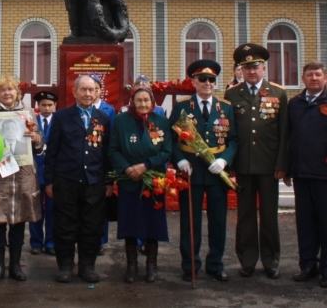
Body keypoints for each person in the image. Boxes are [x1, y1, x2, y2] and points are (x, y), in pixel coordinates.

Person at [169, 59, 237, 282]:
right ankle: (190, 264)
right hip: (191, 172)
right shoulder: (181, 107)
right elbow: (171, 141)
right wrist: (179, 161)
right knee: (191, 221)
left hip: (217, 172)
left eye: (211, 80)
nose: (207, 83)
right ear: (194, 82)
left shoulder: (225, 108)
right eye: (202, 79)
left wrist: (225, 161)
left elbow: (234, 141)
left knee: (218, 221)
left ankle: (215, 264)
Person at [224, 44, 288, 279]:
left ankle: (271, 260)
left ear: (264, 68)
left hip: (269, 165)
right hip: (243, 164)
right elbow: (228, 131)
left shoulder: (279, 93)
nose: (252, 71)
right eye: (247, 67)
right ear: (241, 69)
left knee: (270, 215)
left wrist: (282, 163)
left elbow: (284, 132)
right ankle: (248, 260)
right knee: (246, 215)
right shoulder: (232, 94)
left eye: (256, 67)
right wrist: (229, 164)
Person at [0, 75, 44, 283]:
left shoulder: (28, 113)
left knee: (18, 221)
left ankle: (15, 264)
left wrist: (36, 139)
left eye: (10, 90)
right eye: (2, 90)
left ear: (17, 92)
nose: (7, 93)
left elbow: (39, 143)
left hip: (22, 176)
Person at [44, 75, 113, 283]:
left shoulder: (103, 118)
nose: (87, 94)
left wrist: (109, 181)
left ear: (97, 92)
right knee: (65, 225)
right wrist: (49, 181)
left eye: (91, 90)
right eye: (83, 90)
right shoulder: (62, 117)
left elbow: (107, 152)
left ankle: (87, 266)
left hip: (94, 182)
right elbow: (52, 151)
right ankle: (65, 266)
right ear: (74, 92)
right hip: (66, 180)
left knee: (91, 227)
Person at [109, 83, 171, 283]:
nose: (143, 104)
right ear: (132, 102)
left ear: (152, 101)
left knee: (153, 224)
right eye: (139, 100)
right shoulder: (120, 121)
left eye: (146, 100)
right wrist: (128, 169)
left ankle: (151, 266)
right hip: (129, 181)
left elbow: (166, 150)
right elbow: (113, 149)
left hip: (153, 181)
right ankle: (132, 266)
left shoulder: (161, 121)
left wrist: (146, 165)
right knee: (130, 224)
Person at [285, 61, 327, 288]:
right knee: (306, 223)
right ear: (303, 78)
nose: (314, 78)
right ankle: (308, 265)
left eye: (318, 75)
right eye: (310, 75)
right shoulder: (296, 104)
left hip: (323, 172)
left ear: (325, 78)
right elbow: (289, 136)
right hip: (302, 173)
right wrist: (289, 168)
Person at [29, 91, 58, 256]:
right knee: (35, 209)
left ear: (55, 106)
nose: (47, 108)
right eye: (43, 105)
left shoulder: (60, 121)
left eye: (50, 105)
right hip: (35, 171)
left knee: (53, 210)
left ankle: (51, 242)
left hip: (53, 173)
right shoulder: (31, 122)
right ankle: (36, 242)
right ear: (38, 107)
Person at [90, 73, 115, 254]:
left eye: (96, 88)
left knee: (101, 207)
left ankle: (101, 240)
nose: (93, 92)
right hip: (85, 164)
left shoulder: (109, 110)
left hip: (101, 162)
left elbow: (111, 140)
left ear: (100, 90)